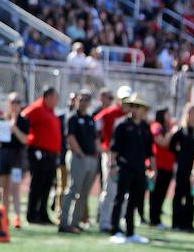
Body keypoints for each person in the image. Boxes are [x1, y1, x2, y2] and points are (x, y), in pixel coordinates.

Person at [108, 94, 154, 244]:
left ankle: (130, 231)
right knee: (119, 198)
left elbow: (149, 151)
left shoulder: (145, 127)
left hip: (139, 169)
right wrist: (112, 165)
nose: (134, 109)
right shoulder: (121, 125)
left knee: (134, 200)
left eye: (137, 107)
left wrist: (153, 169)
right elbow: (114, 148)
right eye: (132, 106)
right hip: (124, 167)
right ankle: (115, 229)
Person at [59, 89, 98, 234]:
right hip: (78, 157)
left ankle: (75, 222)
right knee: (72, 189)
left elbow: (95, 139)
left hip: (90, 158)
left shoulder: (90, 119)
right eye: (81, 99)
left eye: (87, 99)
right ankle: (64, 221)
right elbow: (70, 137)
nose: (83, 102)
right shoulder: (72, 118)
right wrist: (80, 152)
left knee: (84, 193)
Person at [22, 86, 62, 225]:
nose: (57, 101)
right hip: (39, 153)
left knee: (47, 185)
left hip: (50, 154)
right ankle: (32, 214)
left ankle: (43, 214)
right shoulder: (37, 108)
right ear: (48, 97)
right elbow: (23, 119)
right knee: (37, 184)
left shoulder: (50, 111)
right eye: (55, 97)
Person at [96, 85, 132, 232]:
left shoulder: (132, 115)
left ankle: (117, 220)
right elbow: (96, 126)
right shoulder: (109, 113)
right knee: (110, 189)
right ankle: (104, 222)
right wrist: (101, 147)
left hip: (126, 157)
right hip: (111, 155)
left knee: (124, 192)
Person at [0, 92, 30, 230]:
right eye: (12, 102)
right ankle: (4, 216)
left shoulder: (24, 121)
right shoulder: (2, 119)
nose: (15, 105)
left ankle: (17, 217)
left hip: (17, 156)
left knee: (15, 188)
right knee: (4, 188)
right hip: (3, 155)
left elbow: (25, 140)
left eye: (17, 102)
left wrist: (15, 128)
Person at [169, 103, 194, 232]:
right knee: (178, 195)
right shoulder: (181, 131)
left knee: (190, 196)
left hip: (193, 169)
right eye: (189, 112)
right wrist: (179, 156)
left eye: (193, 113)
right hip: (181, 168)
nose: (191, 116)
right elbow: (171, 146)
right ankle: (176, 223)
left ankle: (188, 224)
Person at [149, 107, 175, 227]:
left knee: (162, 193)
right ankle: (154, 219)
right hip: (158, 165)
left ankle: (157, 217)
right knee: (156, 194)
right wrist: (171, 133)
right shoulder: (157, 126)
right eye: (167, 114)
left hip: (168, 166)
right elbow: (161, 142)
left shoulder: (167, 127)